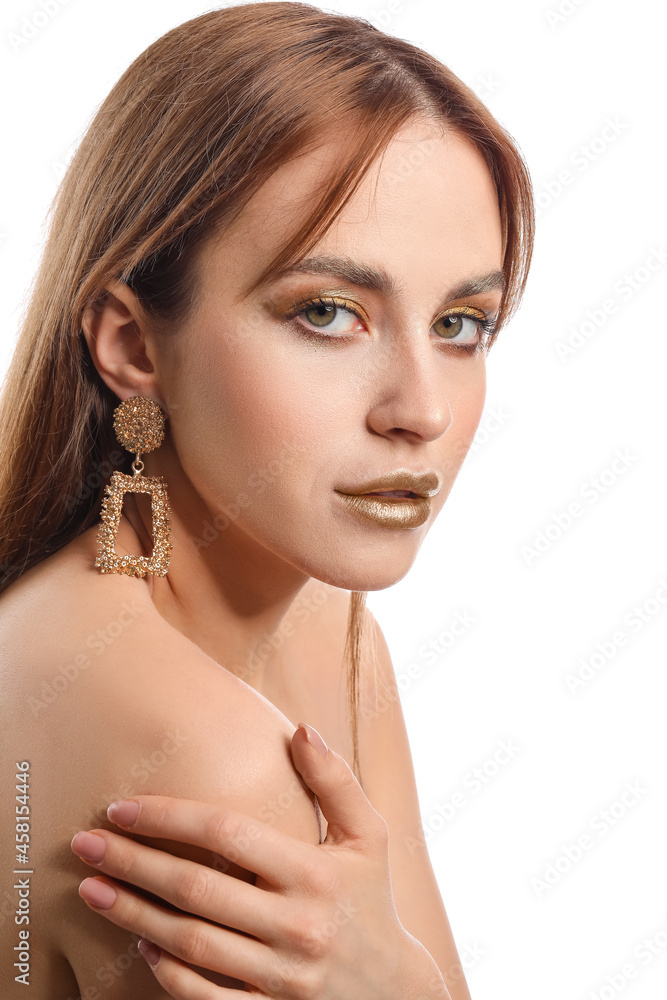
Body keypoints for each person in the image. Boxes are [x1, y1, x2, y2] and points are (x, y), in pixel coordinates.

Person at [0, 2, 534, 996]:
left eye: (461, 323)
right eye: (327, 312)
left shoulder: (334, 627)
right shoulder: (200, 756)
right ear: (133, 345)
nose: (421, 410)